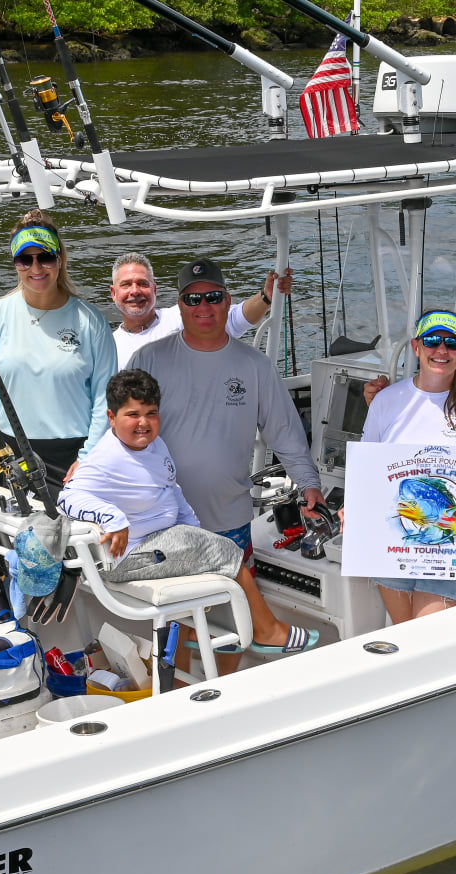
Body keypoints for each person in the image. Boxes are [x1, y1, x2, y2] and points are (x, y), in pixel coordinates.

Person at [127, 259, 322, 654]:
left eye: (213, 297)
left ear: (227, 301)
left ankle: (224, 692)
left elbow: (284, 433)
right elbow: (117, 434)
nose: (204, 306)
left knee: (231, 630)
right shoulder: (148, 360)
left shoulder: (255, 365)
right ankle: (181, 700)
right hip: (162, 521)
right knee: (173, 623)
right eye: (193, 298)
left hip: (229, 518)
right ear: (178, 305)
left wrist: (310, 486)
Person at [58, 369, 319, 654]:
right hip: (130, 559)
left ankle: (209, 630)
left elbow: (173, 492)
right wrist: (113, 519)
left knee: (209, 545)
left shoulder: (155, 444)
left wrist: (196, 531)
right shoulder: (107, 457)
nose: (143, 423)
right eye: (132, 414)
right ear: (111, 418)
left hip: (160, 543)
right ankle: (268, 631)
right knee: (226, 552)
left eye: (151, 413)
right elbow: (67, 498)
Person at [359, 311, 456, 622]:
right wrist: (354, 510)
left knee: (427, 636)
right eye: (432, 340)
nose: (441, 350)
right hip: (396, 545)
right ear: (416, 347)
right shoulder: (385, 401)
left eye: (452, 342)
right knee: (405, 636)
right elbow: (367, 473)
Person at [0, 212, 116, 491]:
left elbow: (105, 400)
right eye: (25, 259)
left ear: (59, 259)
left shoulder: (92, 321)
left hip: (73, 460)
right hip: (9, 455)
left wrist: (89, 459)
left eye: (45, 257)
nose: (36, 267)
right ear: (15, 263)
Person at [109, 251, 291, 365]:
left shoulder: (185, 314)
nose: (135, 291)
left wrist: (267, 297)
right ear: (113, 293)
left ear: (155, 289)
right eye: (126, 285)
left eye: (142, 283)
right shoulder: (106, 348)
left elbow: (236, 319)